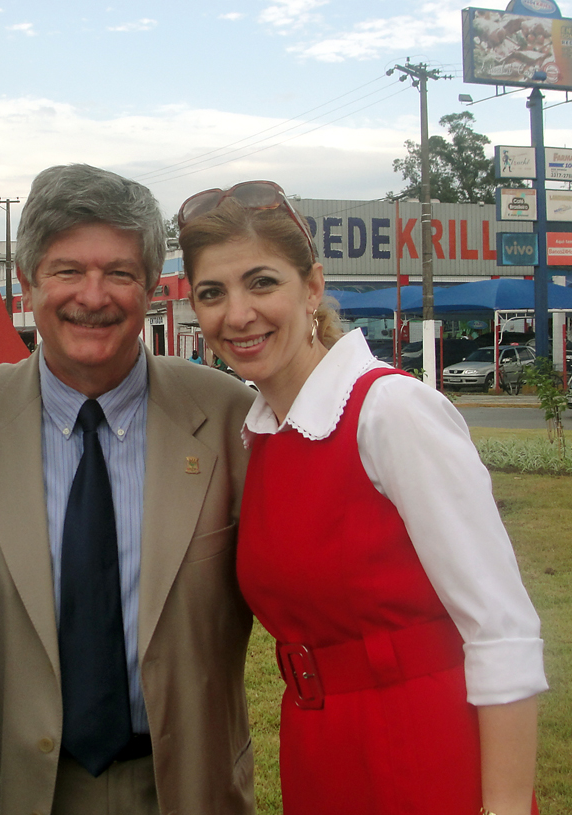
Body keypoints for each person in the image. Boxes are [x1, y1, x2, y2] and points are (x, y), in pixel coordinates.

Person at [178, 180, 548, 815]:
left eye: (261, 283)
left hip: (423, 751)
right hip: (319, 752)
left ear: (313, 287)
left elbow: (501, 627)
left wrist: (507, 805)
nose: (236, 314)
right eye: (212, 293)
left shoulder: (390, 411)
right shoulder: (263, 431)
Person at [0, 164, 257, 815]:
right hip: (16, 790)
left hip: (186, 786)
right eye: (67, 270)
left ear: (151, 289)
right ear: (28, 283)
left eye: (121, 273)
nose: (94, 294)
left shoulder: (228, 419)